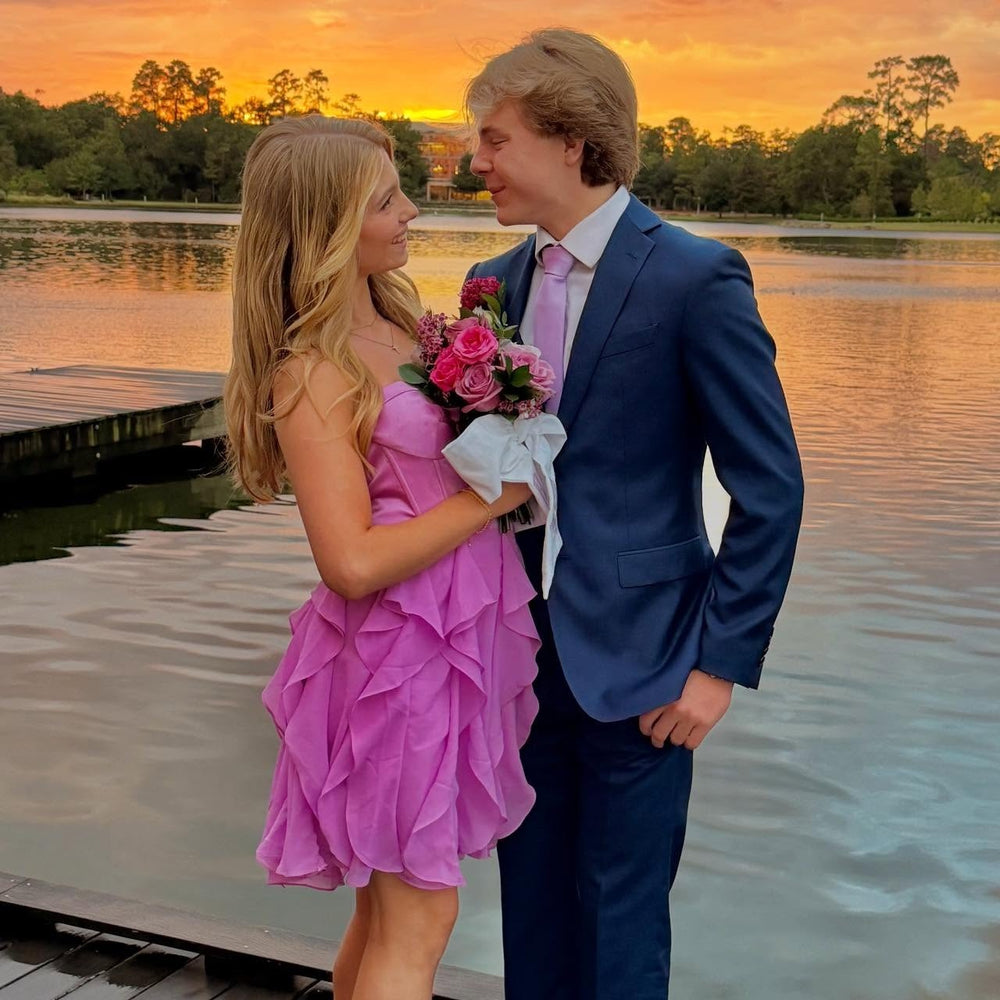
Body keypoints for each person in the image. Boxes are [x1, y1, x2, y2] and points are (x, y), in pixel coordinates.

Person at [464, 29, 805, 1000]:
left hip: (649, 663)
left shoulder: (695, 277)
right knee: (530, 914)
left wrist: (717, 666)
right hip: (515, 660)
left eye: (495, 139)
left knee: (621, 927)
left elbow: (769, 486)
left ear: (571, 140)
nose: (475, 162)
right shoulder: (492, 283)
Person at [223, 115, 540, 1000]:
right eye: (386, 201)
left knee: (386, 913)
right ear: (329, 224)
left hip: (451, 641)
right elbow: (351, 564)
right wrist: (493, 499)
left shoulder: (403, 325)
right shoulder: (312, 369)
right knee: (421, 915)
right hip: (395, 662)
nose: (411, 213)